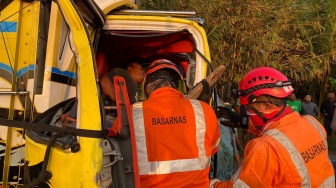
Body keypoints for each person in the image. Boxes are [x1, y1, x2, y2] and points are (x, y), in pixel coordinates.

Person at [212, 67, 335, 187]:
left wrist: (208, 183)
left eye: (249, 107)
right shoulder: (312, 123)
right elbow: (283, 133)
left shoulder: (264, 148)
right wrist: (244, 123)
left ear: (266, 106)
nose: (248, 112)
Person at [131, 59, 220, 187]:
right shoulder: (203, 110)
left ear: (146, 85)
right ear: (177, 84)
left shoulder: (132, 112)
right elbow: (213, 148)